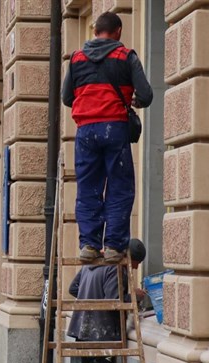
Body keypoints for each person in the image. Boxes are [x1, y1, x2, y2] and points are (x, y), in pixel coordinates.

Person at [62, 12, 153, 263]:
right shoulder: (126, 57)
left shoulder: (77, 59)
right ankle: (113, 246)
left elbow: (67, 98)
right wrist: (130, 99)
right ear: (119, 31)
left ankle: (89, 245)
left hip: (86, 132)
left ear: (94, 32)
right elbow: (146, 95)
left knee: (88, 188)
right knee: (119, 188)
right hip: (115, 128)